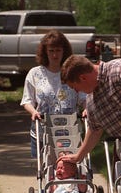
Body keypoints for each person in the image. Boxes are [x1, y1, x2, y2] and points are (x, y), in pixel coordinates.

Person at [20, 30, 86, 158]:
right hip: (43, 131)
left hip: (70, 133)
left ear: (64, 51)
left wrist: (86, 109)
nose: (55, 55)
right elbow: (27, 100)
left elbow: (84, 97)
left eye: (58, 50)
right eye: (51, 51)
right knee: (44, 171)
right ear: (45, 52)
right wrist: (33, 112)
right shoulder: (35, 74)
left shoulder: (73, 72)